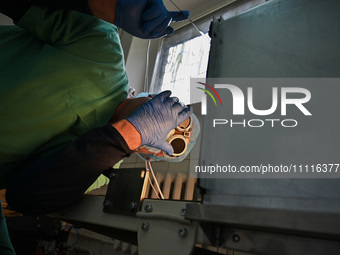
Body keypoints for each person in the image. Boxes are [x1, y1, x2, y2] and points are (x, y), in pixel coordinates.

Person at [0, 0, 191, 214]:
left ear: (147, 153)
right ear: (156, 96)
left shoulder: (103, 168)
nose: (169, 125)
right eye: (177, 113)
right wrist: (106, 4)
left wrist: (126, 135)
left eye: (172, 139)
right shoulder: (102, 50)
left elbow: (23, 197)